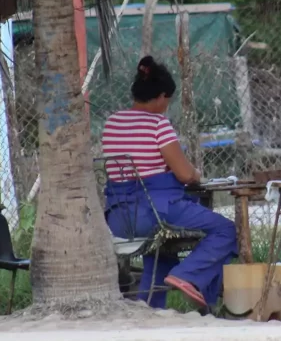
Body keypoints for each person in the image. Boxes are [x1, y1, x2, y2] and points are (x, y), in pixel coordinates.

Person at [102, 56, 238, 310]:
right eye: (168, 101)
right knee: (226, 230)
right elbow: (185, 175)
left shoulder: (112, 123)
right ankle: (188, 275)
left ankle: (150, 305)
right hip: (152, 212)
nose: (167, 107)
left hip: (119, 217)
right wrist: (196, 173)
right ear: (162, 96)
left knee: (163, 247)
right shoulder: (158, 124)